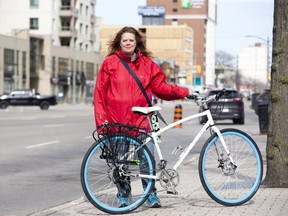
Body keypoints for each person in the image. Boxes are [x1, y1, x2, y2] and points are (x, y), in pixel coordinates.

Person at [94, 26, 189, 208]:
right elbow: (100, 93)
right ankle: (124, 196)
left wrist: (183, 92)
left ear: (137, 42)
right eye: (124, 40)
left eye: (131, 40)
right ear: (119, 43)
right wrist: (102, 121)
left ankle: (150, 194)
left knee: (147, 159)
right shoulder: (110, 63)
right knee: (121, 162)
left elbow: (161, 87)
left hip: (143, 120)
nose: (128, 43)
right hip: (117, 121)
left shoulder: (148, 64)